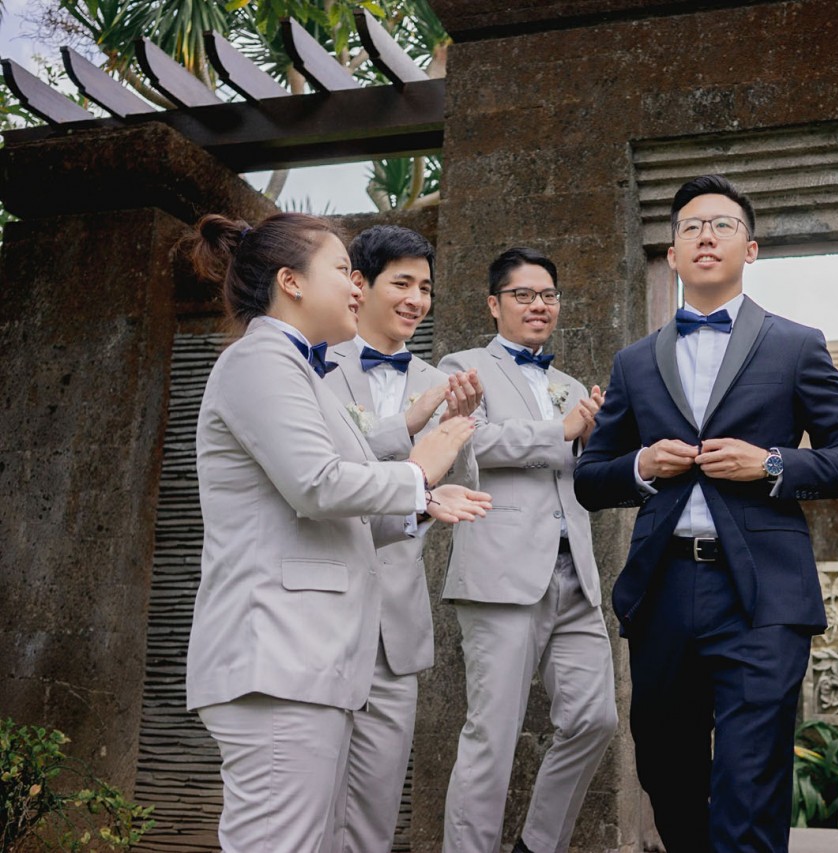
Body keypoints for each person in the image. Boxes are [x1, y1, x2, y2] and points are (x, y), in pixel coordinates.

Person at [574, 175, 838, 853]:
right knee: (666, 769)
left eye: (722, 225)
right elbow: (590, 479)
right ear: (672, 255)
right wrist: (641, 465)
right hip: (663, 589)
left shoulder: (796, 345)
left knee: (750, 780)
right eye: (690, 227)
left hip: (763, 593)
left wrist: (769, 464)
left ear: (751, 249)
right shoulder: (634, 362)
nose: (705, 236)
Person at [184, 212, 491, 853]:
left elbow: (331, 508)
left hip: (309, 661)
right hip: (278, 657)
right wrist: (418, 470)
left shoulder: (298, 370)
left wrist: (422, 503)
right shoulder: (259, 361)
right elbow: (318, 484)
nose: (355, 286)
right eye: (342, 271)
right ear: (291, 282)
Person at [438, 247, 617, 853]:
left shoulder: (571, 387)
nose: (539, 305)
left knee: (595, 719)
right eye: (523, 295)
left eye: (548, 295)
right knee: (491, 736)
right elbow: (468, 441)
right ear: (494, 304)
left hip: (575, 576)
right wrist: (561, 431)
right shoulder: (461, 367)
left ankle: (537, 846)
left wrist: (594, 440)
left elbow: (580, 472)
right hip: (500, 575)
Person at [323, 225, 482, 852]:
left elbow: (462, 485)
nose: (417, 300)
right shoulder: (313, 365)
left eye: (426, 288)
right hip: (322, 614)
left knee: (376, 809)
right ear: (359, 285)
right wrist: (407, 432)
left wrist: (459, 427)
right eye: (403, 284)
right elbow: (324, 478)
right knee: (307, 803)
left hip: (396, 623)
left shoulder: (441, 381)